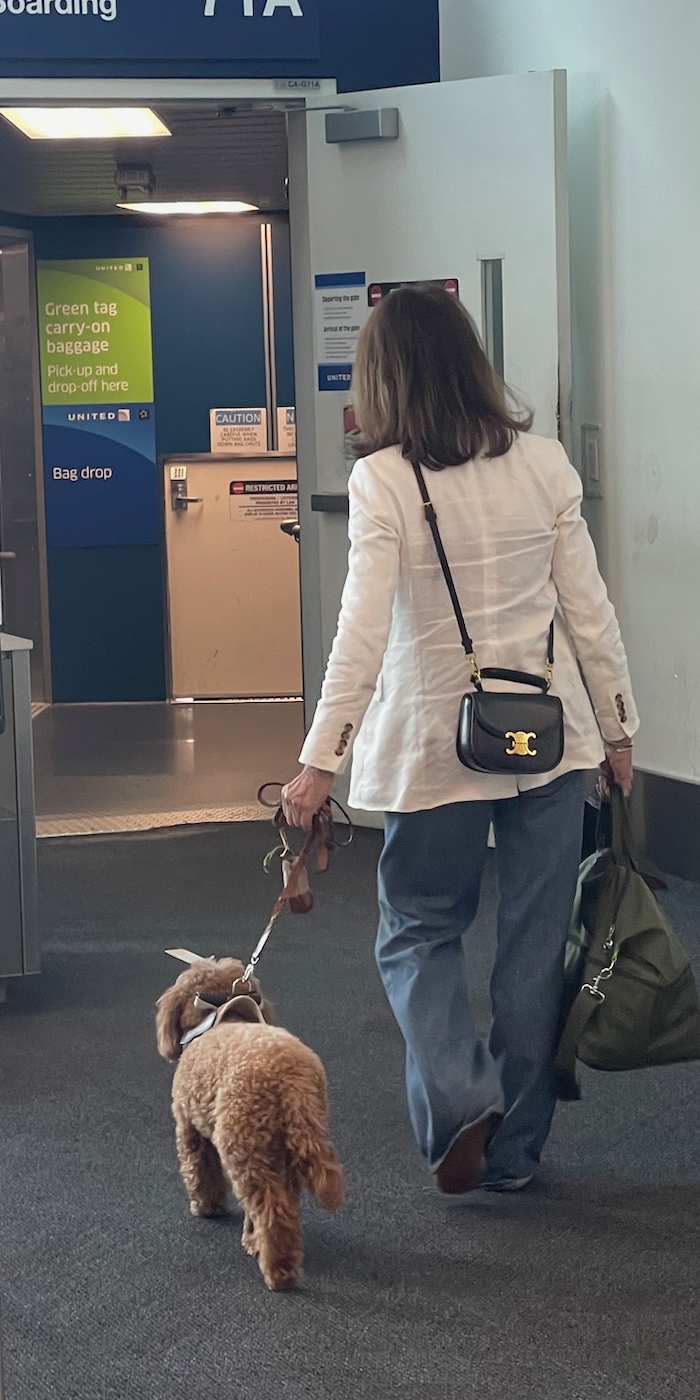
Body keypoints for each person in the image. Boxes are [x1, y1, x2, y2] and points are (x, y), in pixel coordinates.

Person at [281, 286, 637, 1196]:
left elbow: (360, 630)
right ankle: (516, 1153)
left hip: (434, 749)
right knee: (531, 945)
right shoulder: (546, 465)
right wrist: (622, 729)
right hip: (550, 743)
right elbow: (587, 610)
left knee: (417, 933)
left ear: (384, 380)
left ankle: (457, 1091)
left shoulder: (385, 479)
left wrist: (320, 761)